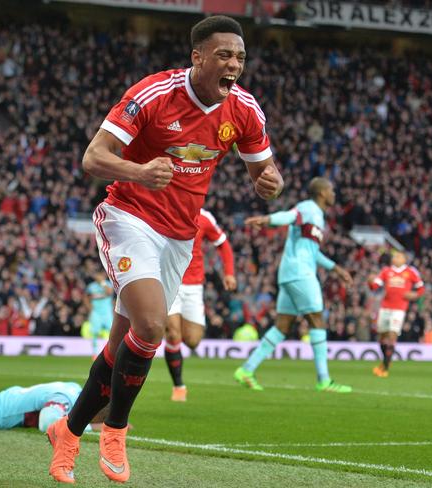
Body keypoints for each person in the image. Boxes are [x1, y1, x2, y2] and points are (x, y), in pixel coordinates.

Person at [47, 15, 284, 484]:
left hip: (180, 236)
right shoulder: (154, 94)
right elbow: (93, 157)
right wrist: (137, 172)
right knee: (152, 325)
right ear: (198, 57)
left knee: (121, 347)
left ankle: (68, 430)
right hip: (128, 218)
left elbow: (264, 171)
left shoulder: (244, 108)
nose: (234, 64)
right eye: (224, 55)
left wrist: (270, 183)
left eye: (239, 57)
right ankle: (115, 430)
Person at [234, 177, 353, 393]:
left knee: (282, 326)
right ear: (322, 193)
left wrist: (336, 269)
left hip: (290, 273)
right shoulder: (308, 208)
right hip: (301, 274)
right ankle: (324, 380)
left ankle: (246, 370)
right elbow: (289, 216)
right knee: (317, 320)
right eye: (331, 190)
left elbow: (313, 252)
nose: (334, 194)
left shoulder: (319, 218)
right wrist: (268, 219)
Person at [165, 208, 236, 402]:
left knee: (193, 340)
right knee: (173, 333)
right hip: (169, 281)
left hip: (194, 286)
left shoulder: (204, 217)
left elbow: (223, 244)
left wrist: (228, 272)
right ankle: (179, 386)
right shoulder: (166, 207)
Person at [368, 250, 424, 377]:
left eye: (399, 256)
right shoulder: (386, 271)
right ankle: (385, 361)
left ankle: (385, 369)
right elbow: (375, 287)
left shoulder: (410, 272)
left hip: (399, 309)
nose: (396, 258)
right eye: (395, 256)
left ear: (405, 259)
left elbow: (421, 287)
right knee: (382, 337)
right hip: (385, 308)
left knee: (392, 335)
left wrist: (415, 295)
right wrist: (370, 281)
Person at [85, 271, 114, 357]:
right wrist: (89, 308)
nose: (99, 276)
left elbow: (109, 293)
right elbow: (86, 297)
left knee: (112, 331)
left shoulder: (108, 284)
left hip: (106, 312)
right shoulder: (91, 286)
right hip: (96, 312)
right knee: (94, 332)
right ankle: (94, 353)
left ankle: (112, 351)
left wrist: (102, 282)